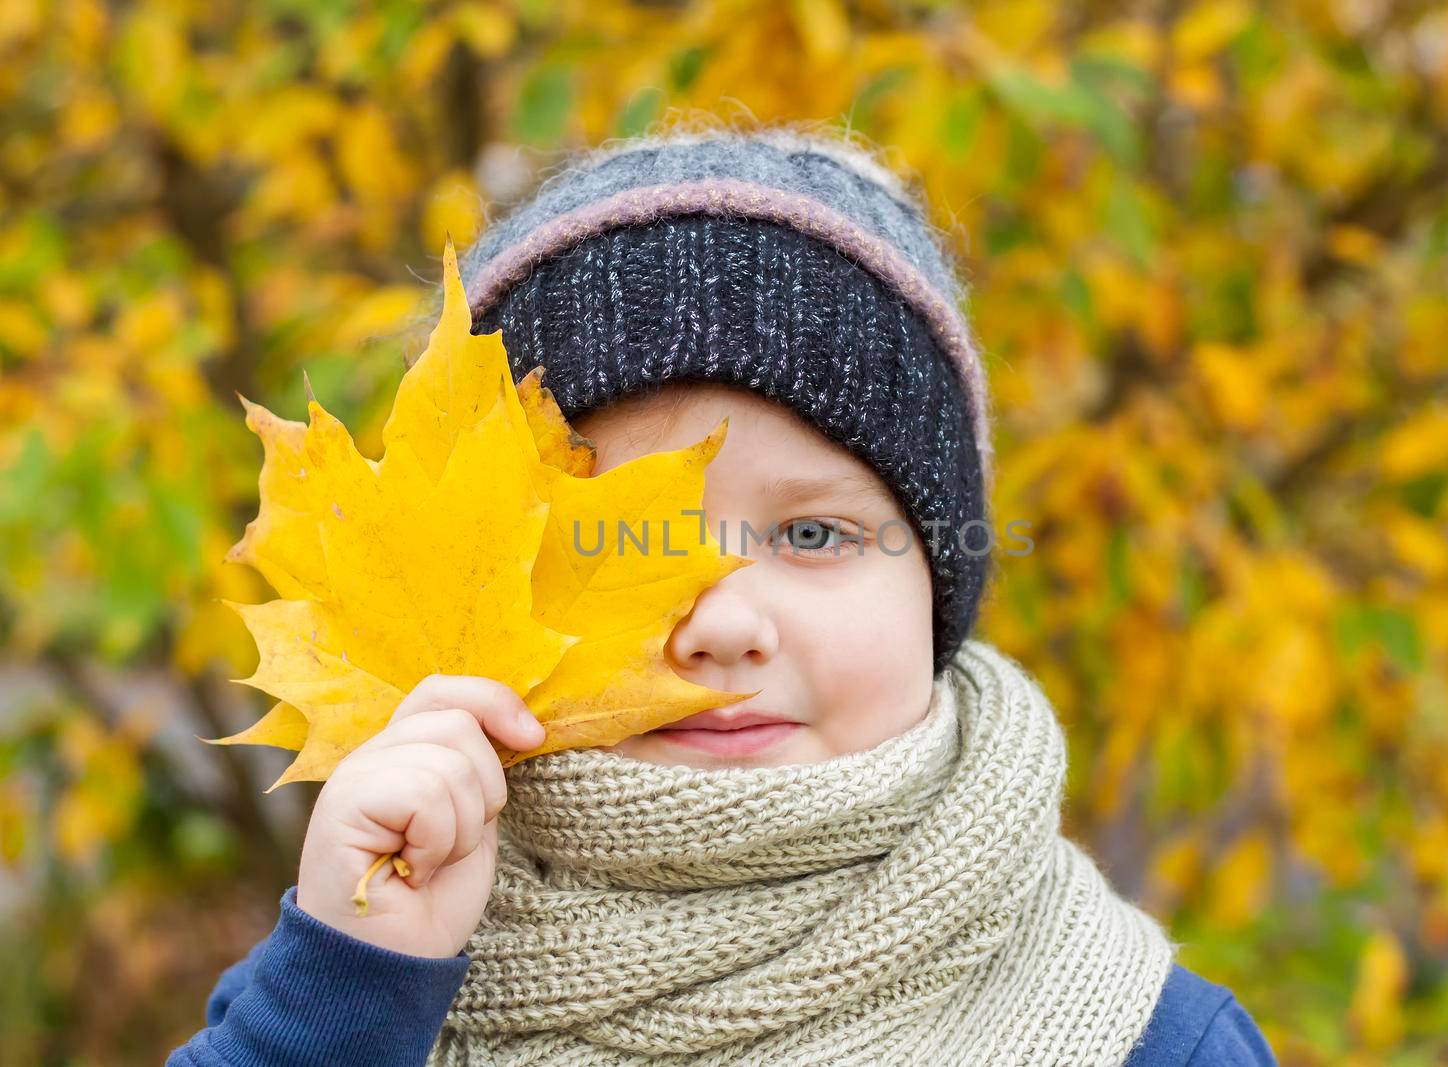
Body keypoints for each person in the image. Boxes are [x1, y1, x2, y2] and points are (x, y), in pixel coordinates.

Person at [168, 123, 1279, 1065]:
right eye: (616, 543)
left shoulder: (1142, 1037)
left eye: (811, 532)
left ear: (936, 587)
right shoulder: (360, 974)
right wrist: (348, 989)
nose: (723, 621)